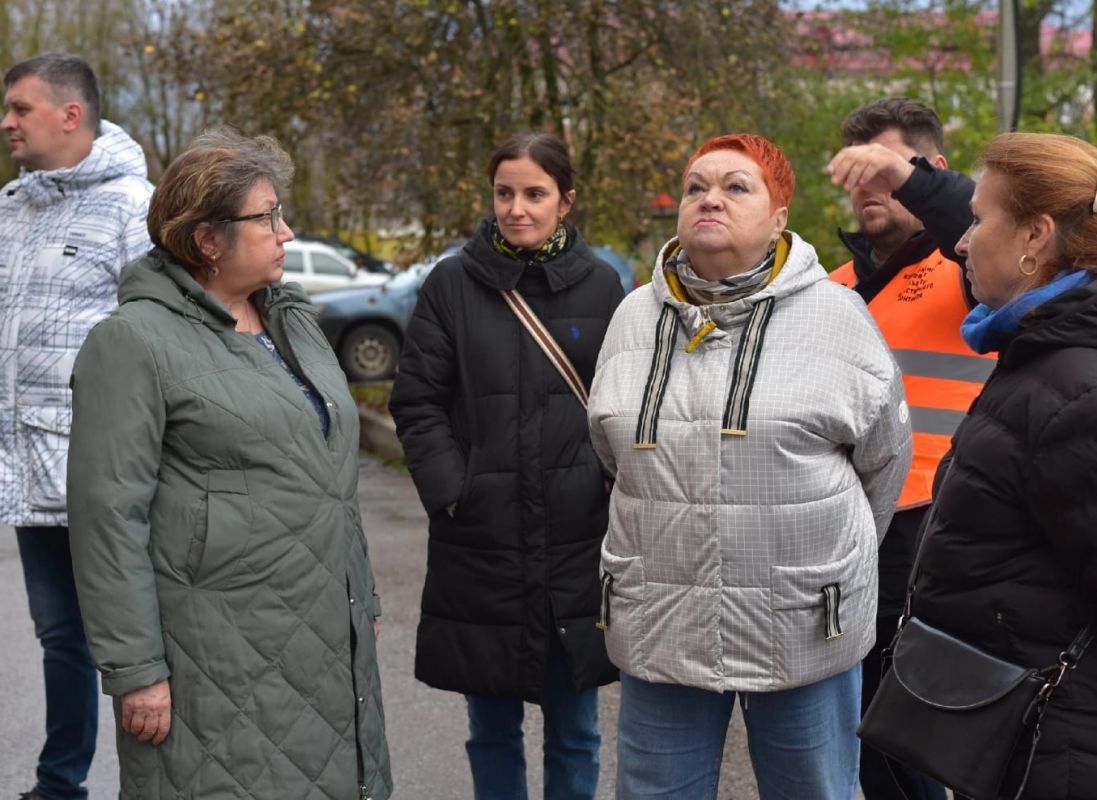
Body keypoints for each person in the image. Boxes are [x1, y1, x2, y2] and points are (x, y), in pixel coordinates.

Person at [65, 129, 392, 798]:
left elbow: (325, 472)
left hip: (323, 632)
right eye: (267, 216)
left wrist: (362, 590)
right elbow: (108, 519)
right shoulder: (131, 344)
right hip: (214, 653)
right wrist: (136, 669)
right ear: (208, 239)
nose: (287, 230)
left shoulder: (290, 320)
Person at [587, 133, 912, 800]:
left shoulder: (837, 319)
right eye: (696, 186)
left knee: (814, 789)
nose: (711, 198)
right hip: (661, 618)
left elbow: (883, 464)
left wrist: (831, 562)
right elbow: (611, 451)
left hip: (801, 621)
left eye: (737, 187)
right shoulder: (631, 319)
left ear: (779, 219)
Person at [911, 132, 1097, 799]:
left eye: (978, 219)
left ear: (1035, 237)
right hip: (1023, 730)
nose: (961, 241)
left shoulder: (1083, 389)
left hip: (1060, 747)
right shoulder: (1053, 356)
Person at [388, 132, 623, 800]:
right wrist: (453, 492)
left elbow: (625, 401)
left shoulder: (603, 285)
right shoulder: (453, 283)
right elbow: (417, 399)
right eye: (504, 193)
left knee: (576, 726)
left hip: (578, 541)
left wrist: (603, 489)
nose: (517, 209)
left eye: (535, 194)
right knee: (491, 725)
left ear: (566, 201)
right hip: (483, 541)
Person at [825, 97, 992, 800]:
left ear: (930, 172)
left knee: (914, 742)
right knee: (863, 736)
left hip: (938, 530)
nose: (869, 189)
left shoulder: (976, 272)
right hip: (846, 529)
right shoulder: (830, 288)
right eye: (857, 174)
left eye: (883, 171)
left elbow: (1014, 232)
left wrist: (915, 179)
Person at [0, 53, 152, 800]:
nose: (5, 122)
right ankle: (60, 786)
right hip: (27, 471)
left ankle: (157, 785)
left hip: (106, 475)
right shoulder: (9, 209)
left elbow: (161, 340)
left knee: (137, 649)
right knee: (60, 641)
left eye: (19, 109)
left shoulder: (135, 208)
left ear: (70, 115)